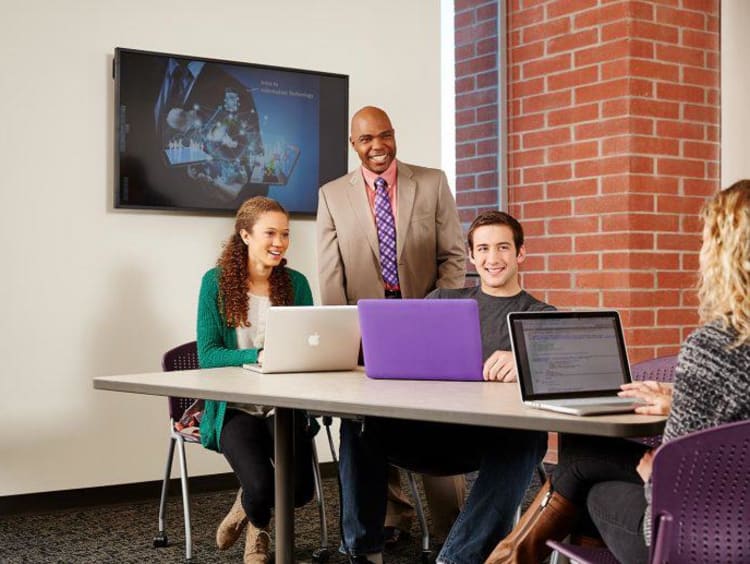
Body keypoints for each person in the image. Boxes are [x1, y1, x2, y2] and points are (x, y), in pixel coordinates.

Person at [485, 180, 750, 564]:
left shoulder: (716, 346)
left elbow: (675, 483)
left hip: (699, 540)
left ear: (725, 254)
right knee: (582, 455)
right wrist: (681, 397)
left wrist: (653, 475)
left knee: (583, 475)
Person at [338, 210, 554, 564]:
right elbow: (403, 356)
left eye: (503, 247)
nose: (492, 258)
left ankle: (458, 558)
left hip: (491, 442)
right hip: (430, 433)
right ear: (471, 256)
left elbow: (558, 375)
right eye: (482, 248)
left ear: (520, 254)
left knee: (528, 437)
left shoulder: (540, 316)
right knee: (358, 423)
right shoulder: (442, 301)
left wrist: (525, 361)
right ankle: (363, 553)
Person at [317, 106, 467, 544]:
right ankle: (389, 520)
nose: (377, 146)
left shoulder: (432, 182)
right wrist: (345, 333)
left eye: (384, 136)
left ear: (394, 135)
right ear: (354, 144)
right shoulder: (331, 194)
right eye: (366, 139)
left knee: (438, 419)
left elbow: (453, 256)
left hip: (426, 318)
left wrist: (439, 313)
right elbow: (331, 272)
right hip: (367, 325)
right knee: (370, 421)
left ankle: (453, 528)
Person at [196, 196, 315, 564]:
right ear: (245, 235)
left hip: (283, 404)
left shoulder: (296, 284)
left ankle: (245, 504)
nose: (279, 242)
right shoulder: (215, 283)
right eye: (270, 233)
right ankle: (257, 531)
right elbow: (209, 355)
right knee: (263, 484)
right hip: (235, 406)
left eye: (285, 234)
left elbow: (311, 342)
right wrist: (257, 356)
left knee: (298, 492)